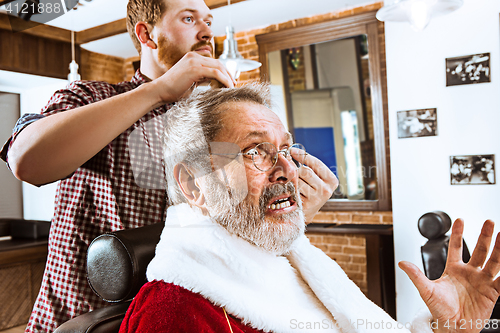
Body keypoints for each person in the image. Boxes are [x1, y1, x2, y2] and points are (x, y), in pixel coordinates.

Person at [0, 0, 336, 331]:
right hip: (80, 318)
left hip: (175, 317)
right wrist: (159, 90)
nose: (206, 32)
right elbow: (27, 162)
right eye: (189, 19)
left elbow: (230, 238)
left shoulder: (211, 130)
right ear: (147, 35)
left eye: (208, 21)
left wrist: (286, 214)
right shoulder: (91, 97)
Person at [119, 83, 500, 333]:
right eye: (255, 152)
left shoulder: (294, 265)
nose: (288, 168)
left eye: (285, 149)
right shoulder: (171, 316)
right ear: (193, 183)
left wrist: (448, 327)